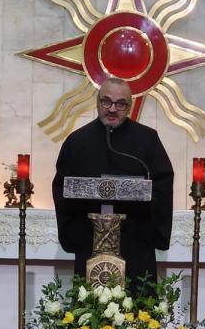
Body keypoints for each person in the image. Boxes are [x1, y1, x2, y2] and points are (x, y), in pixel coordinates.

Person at [52, 77, 174, 293]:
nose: (112, 109)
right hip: (90, 241)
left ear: (130, 106)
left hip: (134, 243)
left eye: (120, 104)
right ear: (97, 101)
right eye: (106, 101)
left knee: (137, 307)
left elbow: (162, 185)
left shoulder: (147, 140)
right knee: (90, 308)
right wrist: (76, 235)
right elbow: (62, 188)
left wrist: (147, 212)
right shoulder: (77, 142)